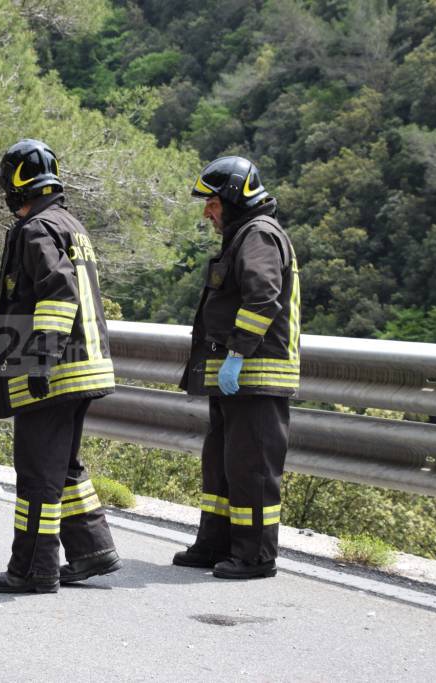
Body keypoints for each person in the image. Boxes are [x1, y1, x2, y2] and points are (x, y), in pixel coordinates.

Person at [0, 139, 122, 594]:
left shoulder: (35, 229)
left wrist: (39, 359)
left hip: (54, 372)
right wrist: (1, 337)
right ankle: (91, 549)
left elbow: (57, 294)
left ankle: (33, 570)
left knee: (38, 474)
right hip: (83, 367)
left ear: (17, 185)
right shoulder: (70, 224)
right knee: (62, 468)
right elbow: (41, 299)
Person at [174, 156, 301, 580]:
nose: (207, 211)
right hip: (238, 379)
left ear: (231, 197)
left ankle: (255, 555)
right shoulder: (243, 235)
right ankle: (217, 543)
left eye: (211, 202)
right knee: (223, 464)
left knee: (252, 470)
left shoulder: (259, 235)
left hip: (257, 376)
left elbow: (263, 297)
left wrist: (237, 354)